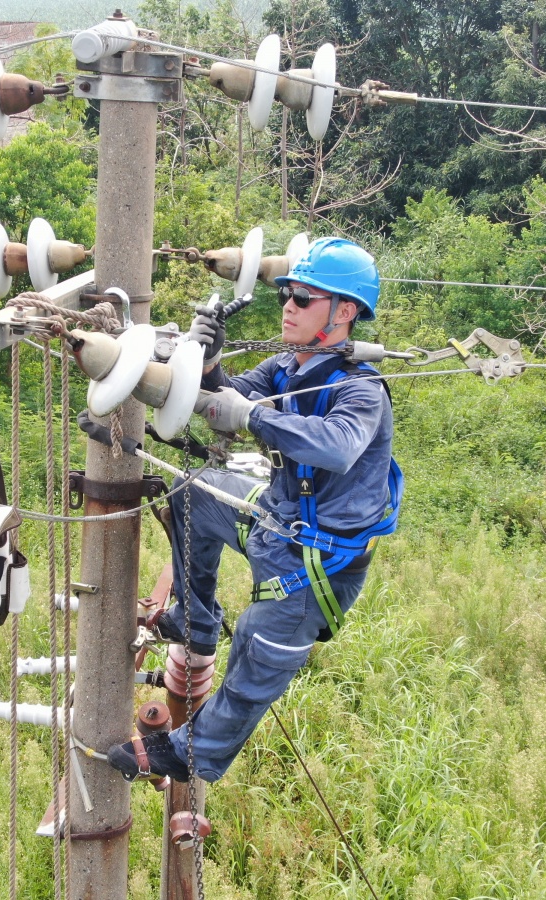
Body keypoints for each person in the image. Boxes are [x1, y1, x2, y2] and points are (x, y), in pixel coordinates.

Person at [107, 236, 402, 784]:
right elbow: (231, 401)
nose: (288, 306)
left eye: (304, 298)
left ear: (345, 311)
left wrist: (251, 418)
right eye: (287, 294)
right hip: (275, 520)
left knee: (256, 658)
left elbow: (335, 445)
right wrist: (209, 362)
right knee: (195, 491)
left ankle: (191, 752)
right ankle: (196, 620)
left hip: (316, 563)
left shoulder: (362, 392)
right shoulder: (285, 368)